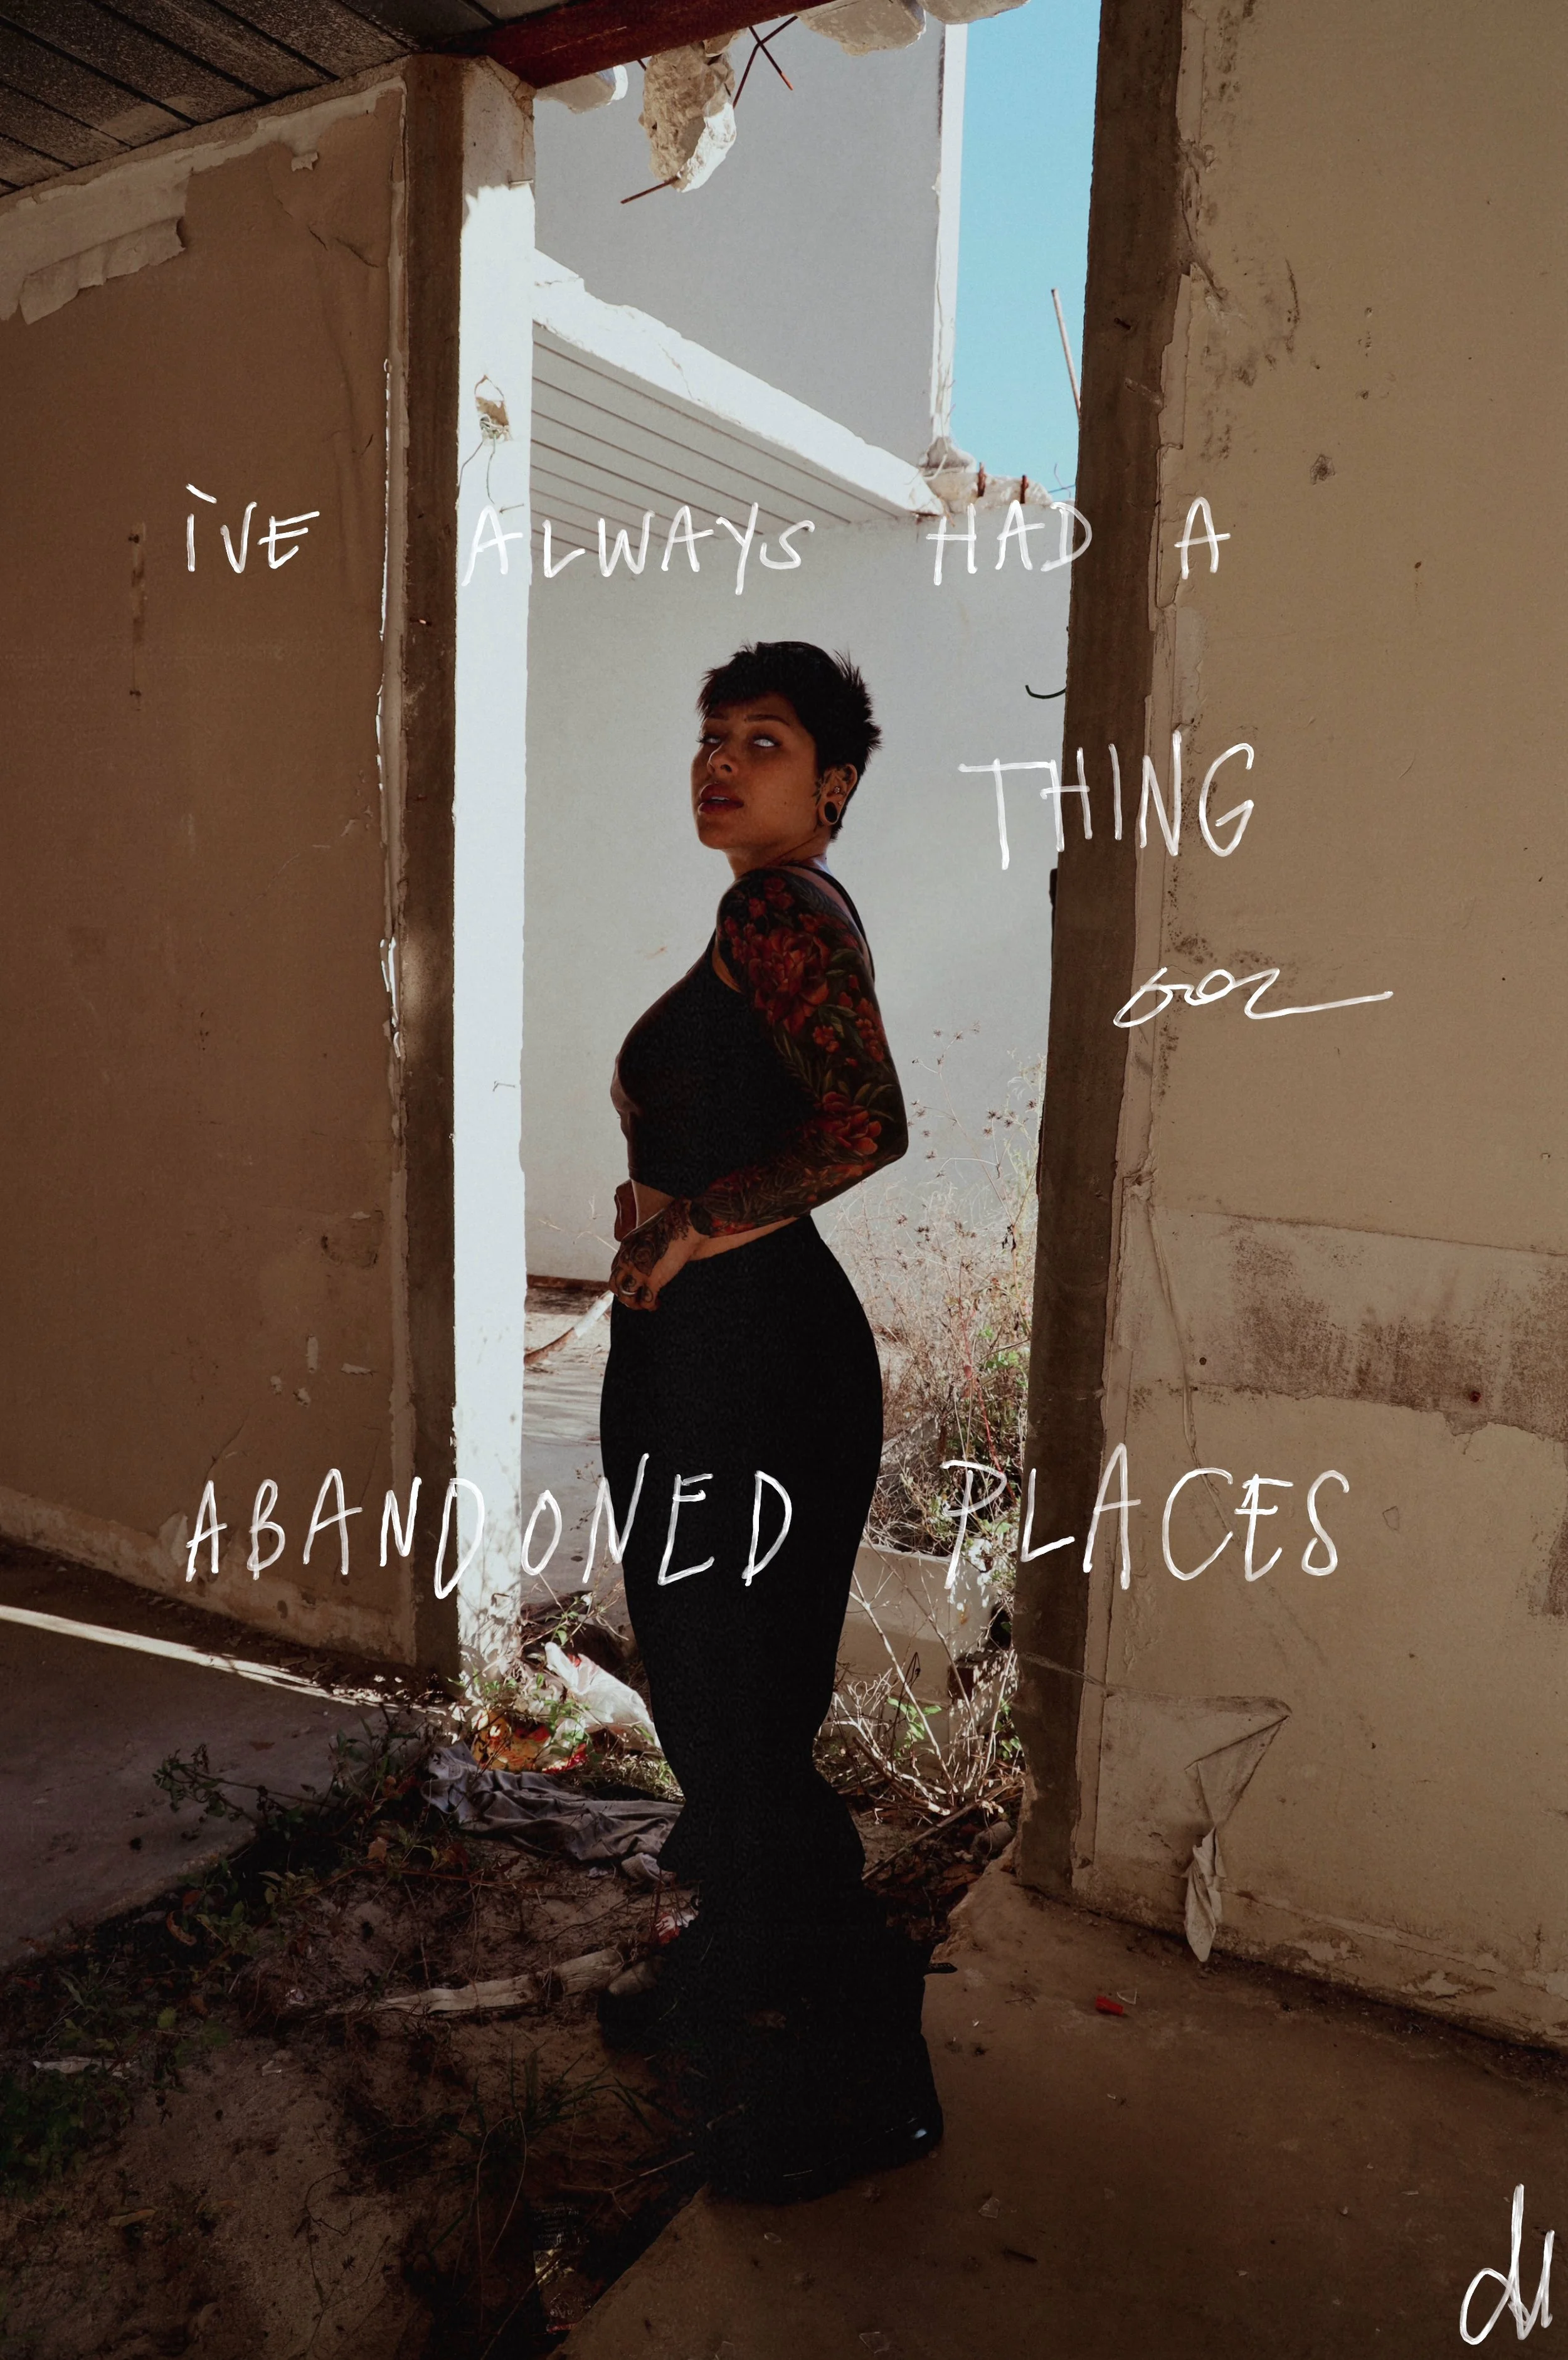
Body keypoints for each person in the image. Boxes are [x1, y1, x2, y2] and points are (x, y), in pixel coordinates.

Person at [596, 640, 943, 2203]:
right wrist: (672, 1220)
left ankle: (868, 2085)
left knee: (731, 1705)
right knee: (721, 1691)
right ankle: (738, 1968)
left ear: (833, 784)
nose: (718, 763)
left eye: (764, 741)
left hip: (747, 1365)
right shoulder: (777, 911)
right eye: (710, 735)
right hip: (726, 1354)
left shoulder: (776, 910)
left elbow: (866, 1123)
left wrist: (686, 1228)